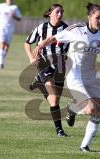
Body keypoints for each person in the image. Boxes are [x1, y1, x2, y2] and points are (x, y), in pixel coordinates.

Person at [33, 2, 100, 152]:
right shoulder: (76, 30)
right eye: (97, 18)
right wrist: (40, 45)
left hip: (91, 78)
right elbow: (55, 37)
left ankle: (84, 146)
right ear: (89, 17)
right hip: (75, 76)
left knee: (98, 111)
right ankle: (72, 108)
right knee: (90, 108)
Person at [24, 4, 69, 137]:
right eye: (57, 12)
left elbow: (72, 46)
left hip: (60, 65)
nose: (60, 14)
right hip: (45, 63)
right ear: (50, 13)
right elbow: (27, 43)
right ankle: (59, 130)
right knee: (54, 100)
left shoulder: (66, 29)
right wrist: (31, 57)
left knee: (55, 100)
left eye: (62, 12)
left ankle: (39, 83)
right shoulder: (41, 28)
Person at [0, 0, 22, 69]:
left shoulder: (14, 7)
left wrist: (13, 15)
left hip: (10, 28)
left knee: (7, 46)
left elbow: (19, 18)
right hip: (1, 27)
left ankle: (2, 59)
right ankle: (1, 62)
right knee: (2, 44)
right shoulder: (1, 6)